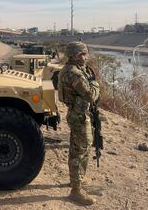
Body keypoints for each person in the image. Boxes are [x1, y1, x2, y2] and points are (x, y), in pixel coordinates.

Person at [58, 42, 100, 206]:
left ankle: (77, 180)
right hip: (79, 116)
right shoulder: (74, 73)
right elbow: (90, 95)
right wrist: (96, 85)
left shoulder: (71, 70)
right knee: (80, 151)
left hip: (77, 114)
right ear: (74, 55)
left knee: (79, 148)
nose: (85, 57)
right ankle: (76, 191)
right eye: (82, 54)